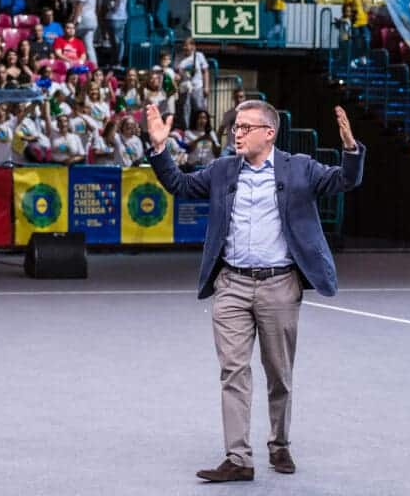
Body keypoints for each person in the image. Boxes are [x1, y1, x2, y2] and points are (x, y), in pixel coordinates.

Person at [145, 100, 365, 482]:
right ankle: (239, 458)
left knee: (278, 373)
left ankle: (279, 444)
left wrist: (350, 150)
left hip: (280, 284)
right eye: (235, 127)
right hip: (230, 285)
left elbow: (343, 181)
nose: (237, 133)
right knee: (233, 370)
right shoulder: (222, 170)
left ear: (269, 133)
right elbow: (179, 186)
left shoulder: (300, 168)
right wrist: (161, 149)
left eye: (246, 127)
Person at [176, 38, 210, 130]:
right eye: (184, 45)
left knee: (199, 109)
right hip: (185, 89)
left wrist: (206, 87)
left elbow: (205, 71)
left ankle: (202, 130)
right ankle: (187, 130)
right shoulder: (179, 57)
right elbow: (178, 74)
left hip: (197, 87)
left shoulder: (199, 56)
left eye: (187, 45)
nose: (185, 47)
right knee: (185, 110)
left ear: (193, 46)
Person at [102, 0, 130, 71]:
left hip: (119, 18)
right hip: (110, 18)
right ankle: (114, 62)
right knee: (113, 42)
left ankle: (117, 62)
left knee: (118, 42)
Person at [72, 0, 98, 67]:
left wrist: (73, 22)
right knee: (89, 46)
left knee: (70, 39)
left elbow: (79, 8)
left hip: (83, 20)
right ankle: (94, 67)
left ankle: (74, 63)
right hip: (92, 20)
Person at [217, 87, 246, 156]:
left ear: (244, 98)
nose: (238, 100)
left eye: (241, 97)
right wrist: (218, 146)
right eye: (236, 97)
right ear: (233, 98)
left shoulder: (250, 114)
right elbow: (220, 131)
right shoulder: (228, 114)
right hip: (230, 148)